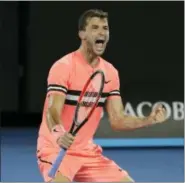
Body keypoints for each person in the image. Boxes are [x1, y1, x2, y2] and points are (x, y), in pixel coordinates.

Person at [36, 9, 167, 182]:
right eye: (95, 28)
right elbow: (52, 111)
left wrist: (148, 120)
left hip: (87, 152)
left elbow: (118, 120)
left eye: (105, 28)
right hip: (56, 149)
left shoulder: (110, 72)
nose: (102, 32)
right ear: (82, 34)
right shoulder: (63, 66)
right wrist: (59, 134)